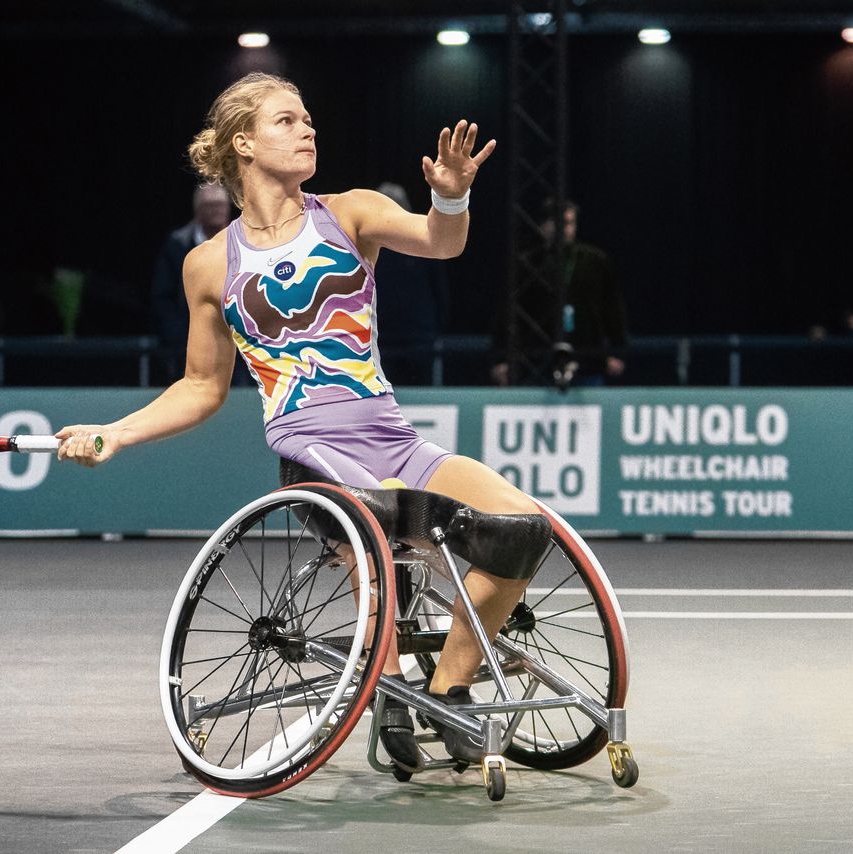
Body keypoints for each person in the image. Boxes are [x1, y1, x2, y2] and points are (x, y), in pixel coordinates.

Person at [56, 72, 544, 770]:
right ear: (243, 143)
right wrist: (113, 433)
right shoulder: (208, 264)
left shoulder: (350, 214)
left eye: (309, 118)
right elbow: (200, 386)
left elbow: (442, 242)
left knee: (523, 528)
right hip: (310, 447)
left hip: (389, 437)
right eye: (288, 120)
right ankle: (393, 679)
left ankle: (448, 687)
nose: (308, 128)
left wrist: (451, 192)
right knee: (383, 518)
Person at [491, 200, 628, 389]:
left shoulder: (595, 261)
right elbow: (507, 315)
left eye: (570, 223)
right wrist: (501, 360)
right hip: (535, 364)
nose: (565, 229)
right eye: (559, 222)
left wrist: (618, 351)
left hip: (588, 362)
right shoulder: (526, 264)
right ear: (542, 225)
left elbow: (612, 309)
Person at [150, 184, 233, 383]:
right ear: (198, 210)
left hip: (236, 341)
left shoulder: (244, 243)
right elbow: (162, 296)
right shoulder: (177, 245)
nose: (217, 211)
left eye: (221, 205)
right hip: (188, 343)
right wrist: (181, 335)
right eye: (211, 205)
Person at [372, 182, 449, 385]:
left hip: (419, 340)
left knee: (424, 396)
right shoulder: (367, 246)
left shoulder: (423, 241)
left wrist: (435, 330)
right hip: (380, 342)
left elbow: (439, 291)